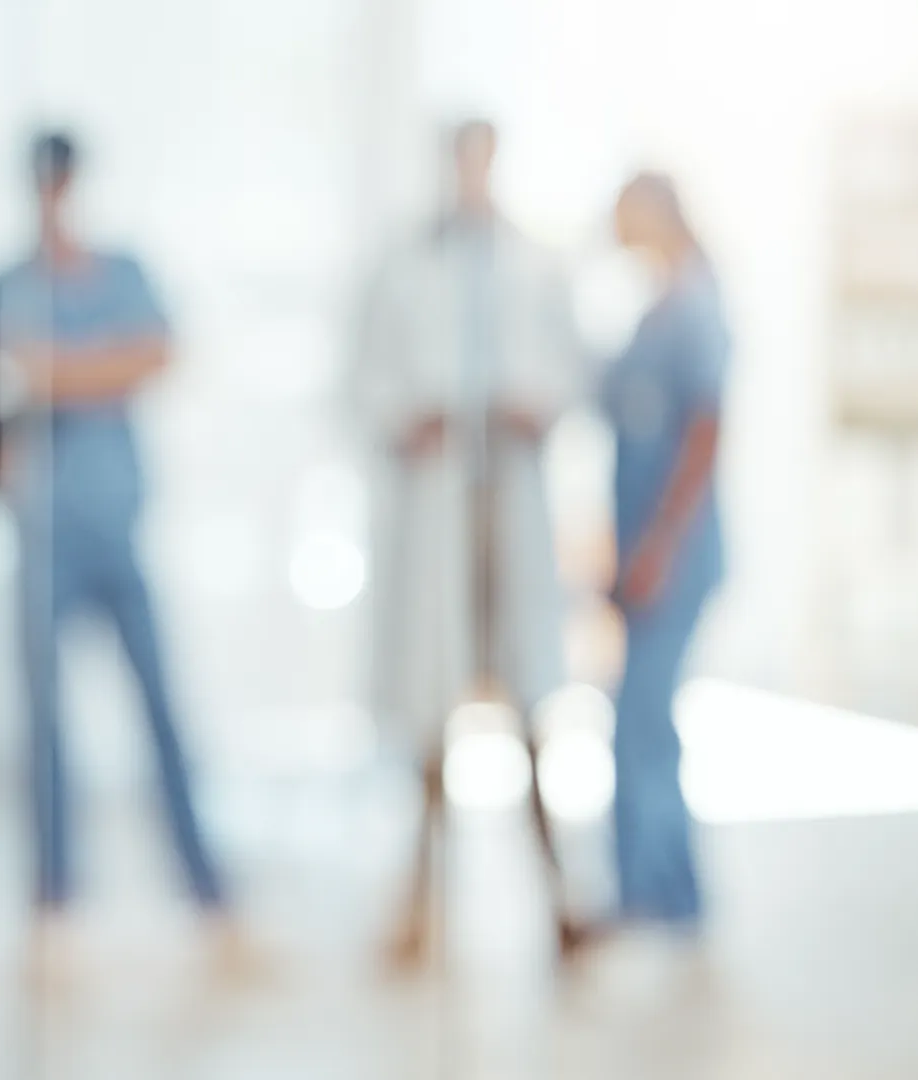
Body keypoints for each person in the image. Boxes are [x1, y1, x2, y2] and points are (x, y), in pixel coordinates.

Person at [0, 132, 248, 976]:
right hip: (44, 535)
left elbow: (158, 355)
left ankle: (211, 900)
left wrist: (52, 372)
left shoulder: (123, 270)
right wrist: (92, 371)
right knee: (47, 729)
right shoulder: (5, 284)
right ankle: (56, 904)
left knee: (164, 718)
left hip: (118, 530)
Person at [353, 119, 585, 965]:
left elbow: (569, 368)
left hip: (506, 502)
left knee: (529, 716)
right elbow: (367, 376)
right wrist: (407, 418)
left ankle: (561, 900)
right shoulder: (407, 262)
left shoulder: (532, 263)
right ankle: (418, 904)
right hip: (437, 501)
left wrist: (538, 401)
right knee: (431, 723)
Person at [591, 172, 728, 938]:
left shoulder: (695, 307)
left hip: (671, 558)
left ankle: (654, 899)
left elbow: (705, 433)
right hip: (644, 553)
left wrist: (659, 548)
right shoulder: (657, 307)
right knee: (645, 722)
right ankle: (673, 897)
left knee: (639, 724)